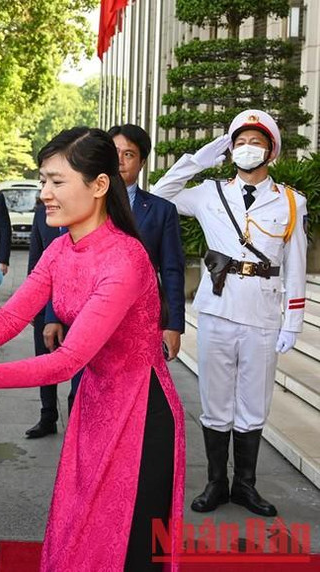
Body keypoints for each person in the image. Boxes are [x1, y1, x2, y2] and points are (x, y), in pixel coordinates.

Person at [0, 127, 186, 571]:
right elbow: (10, 319)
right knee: (79, 525)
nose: (44, 193)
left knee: (125, 544)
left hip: (139, 411)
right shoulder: (59, 250)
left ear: (99, 185)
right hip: (94, 402)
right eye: (43, 180)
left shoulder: (124, 259)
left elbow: (67, 362)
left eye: (56, 181)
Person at [151, 109, 307, 517]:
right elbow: (160, 193)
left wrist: (292, 322)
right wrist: (200, 159)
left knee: (253, 402)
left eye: (255, 143)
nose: (247, 150)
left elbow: (295, 264)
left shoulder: (291, 201)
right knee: (215, 400)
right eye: (239, 143)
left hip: (263, 313)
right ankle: (216, 482)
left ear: (270, 151)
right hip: (218, 310)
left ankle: (246, 485)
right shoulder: (209, 192)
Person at [39, 124, 186, 423]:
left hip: (132, 331)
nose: (119, 160)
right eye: (114, 152)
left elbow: (171, 270)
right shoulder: (73, 202)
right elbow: (58, 267)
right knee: (81, 392)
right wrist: (53, 315)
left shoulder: (160, 211)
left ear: (142, 162)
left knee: (129, 409)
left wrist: (173, 324)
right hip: (83, 321)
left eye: (128, 154)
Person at [24, 203, 66, 438]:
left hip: (78, 306)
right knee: (45, 362)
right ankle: (47, 416)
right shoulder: (42, 212)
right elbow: (35, 258)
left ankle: (79, 420)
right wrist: (32, 302)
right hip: (44, 300)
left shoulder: (84, 206)